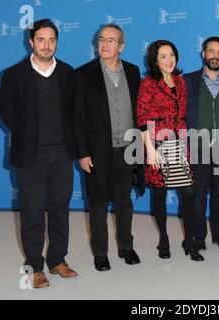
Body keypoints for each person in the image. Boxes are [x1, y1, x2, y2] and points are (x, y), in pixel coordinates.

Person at [0, 19, 77, 288]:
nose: (46, 45)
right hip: (30, 155)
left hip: (63, 154)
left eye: (51, 40)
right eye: (41, 39)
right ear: (31, 42)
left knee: (60, 209)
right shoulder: (14, 74)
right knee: (32, 212)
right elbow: (5, 110)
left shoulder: (68, 73)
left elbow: (76, 113)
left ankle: (57, 259)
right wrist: (27, 133)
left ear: (57, 42)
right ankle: (35, 266)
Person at [72, 23, 145, 272]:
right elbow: (77, 117)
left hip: (128, 149)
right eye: (101, 39)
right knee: (98, 204)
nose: (104, 44)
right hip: (97, 150)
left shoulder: (134, 72)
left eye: (111, 40)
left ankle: (126, 246)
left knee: (124, 201)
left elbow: (141, 113)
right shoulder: (83, 74)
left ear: (121, 46)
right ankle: (101, 253)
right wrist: (82, 152)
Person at [137, 40, 204, 262]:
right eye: (163, 56)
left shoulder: (180, 81)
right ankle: (164, 239)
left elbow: (184, 115)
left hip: (180, 144)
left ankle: (191, 241)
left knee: (188, 194)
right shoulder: (147, 83)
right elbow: (143, 119)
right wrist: (151, 150)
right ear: (155, 60)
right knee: (160, 194)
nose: (169, 59)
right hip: (157, 144)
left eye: (172, 54)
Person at [184, 36, 219, 250]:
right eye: (211, 51)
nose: (215, 56)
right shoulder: (188, 81)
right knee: (198, 194)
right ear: (203, 54)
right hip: (197, 145)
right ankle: (199, 237)